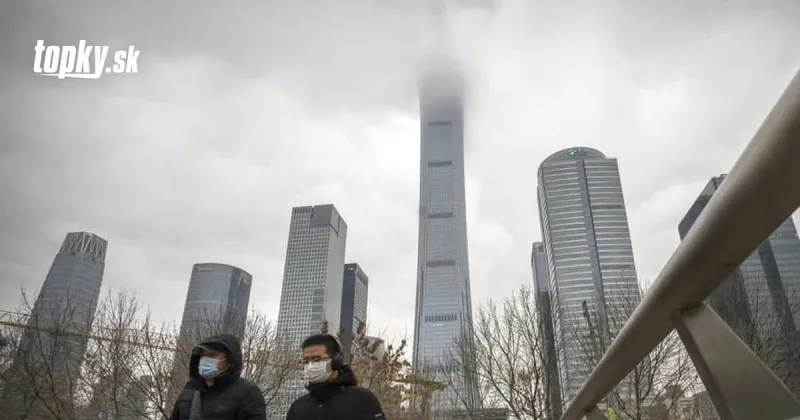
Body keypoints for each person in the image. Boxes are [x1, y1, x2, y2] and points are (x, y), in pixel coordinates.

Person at [286, 333, 386, 420]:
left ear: (336, 361)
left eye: (317, 359)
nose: (311, 365)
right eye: (306, 361)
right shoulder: (298, 407)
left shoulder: (363, 399)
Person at [170, 333, 267, 420]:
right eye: (202, 355)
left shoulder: (248, 392)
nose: (205, 359)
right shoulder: (189, 391)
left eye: (212, 355)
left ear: (229, 360)